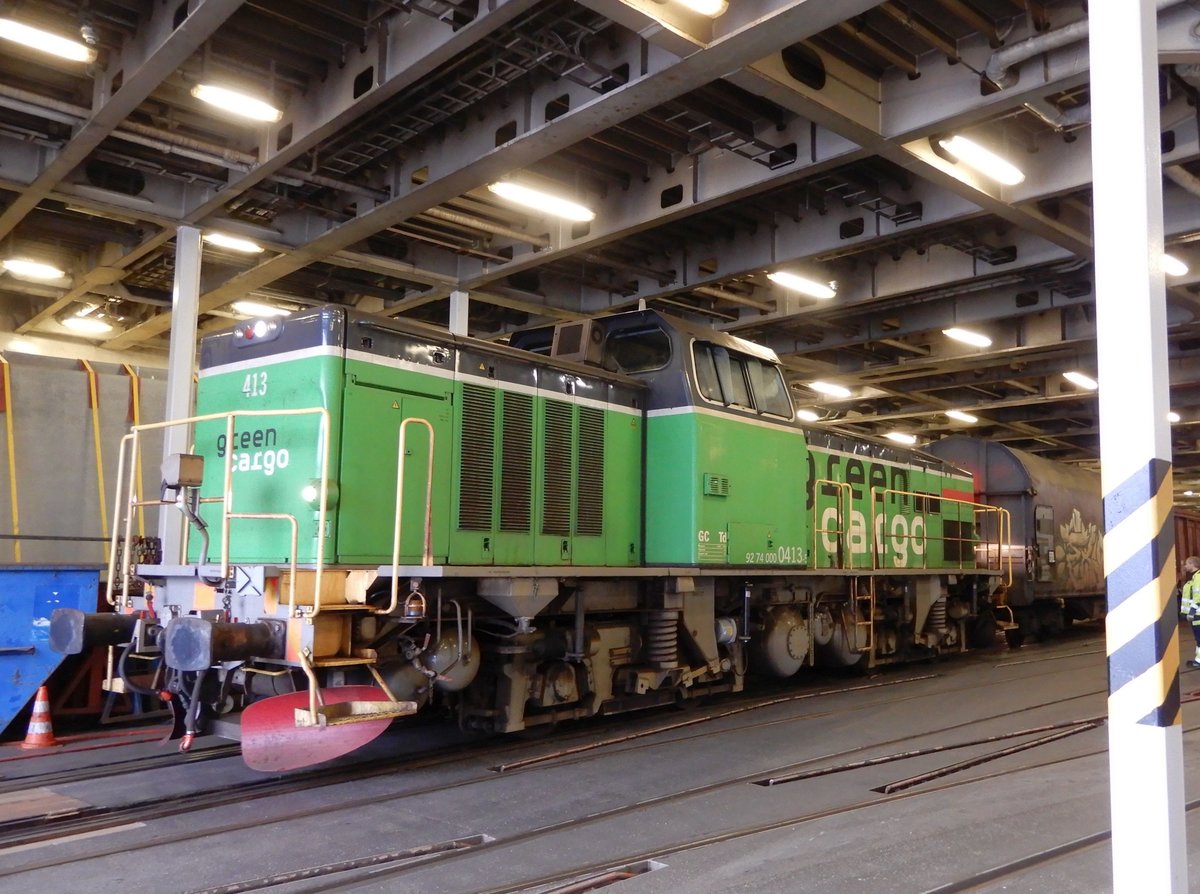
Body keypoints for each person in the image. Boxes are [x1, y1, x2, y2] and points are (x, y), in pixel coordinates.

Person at [1181, 556, 1200, 668]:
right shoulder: (1194, 578)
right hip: (1196, 614)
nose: (1185, 566)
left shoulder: (1198, 578)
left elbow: (1198, 596)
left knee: (1199, 638)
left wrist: (1192, 611)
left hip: (1198, 614)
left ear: (1193, 564)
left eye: (1187, 564)